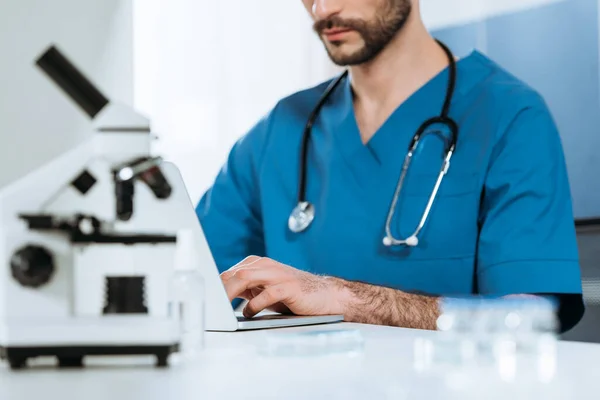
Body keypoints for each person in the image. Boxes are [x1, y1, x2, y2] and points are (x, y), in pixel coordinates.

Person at [196, 0, 584, 332]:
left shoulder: (507, 114)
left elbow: (532, 315)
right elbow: (187, 268)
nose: (323, 9)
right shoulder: (283, 128)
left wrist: (344, 300)